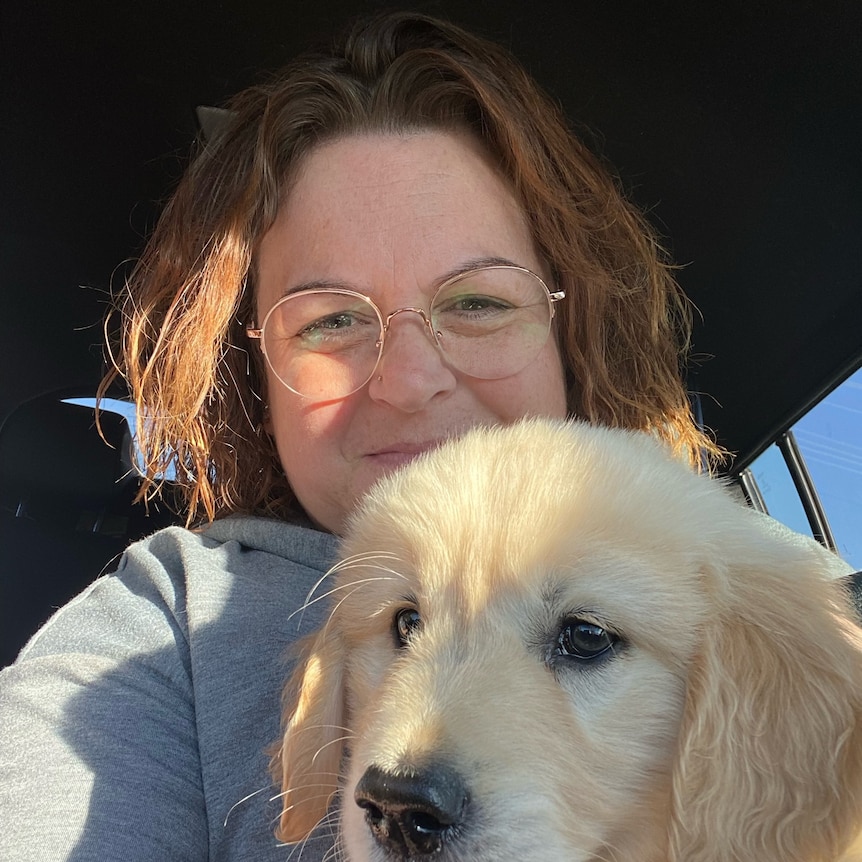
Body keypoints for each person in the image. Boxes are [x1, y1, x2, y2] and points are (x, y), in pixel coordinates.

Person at [0, 10, 727, 861]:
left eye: (478, 303)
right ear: (255, 374)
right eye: (332, 321)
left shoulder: (728, 571)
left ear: (575, 331)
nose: (410, 381)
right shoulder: (152, 632)